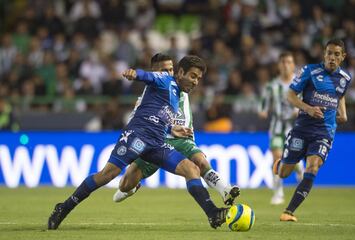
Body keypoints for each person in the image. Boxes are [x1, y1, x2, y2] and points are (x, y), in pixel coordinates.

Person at [48, 55, 229, 230]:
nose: (196, 82)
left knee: (192, 169)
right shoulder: (166, 80)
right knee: (107, 175)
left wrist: (171, 130)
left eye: (198, 78)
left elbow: (157, 116)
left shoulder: (177, 94)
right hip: (138, 137)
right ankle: (64, 207)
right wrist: (135, 74)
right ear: (180, 72)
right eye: (193, 76)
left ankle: (212, 213)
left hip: (157, 143)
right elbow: (148, 76)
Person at [113, 53, 240, 205]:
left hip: (182, 140)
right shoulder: (149, 95)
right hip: (156, 142)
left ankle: (225, 190)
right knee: (125, 184)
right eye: (164, 71)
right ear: (155, 73)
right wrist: (170, 128)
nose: (169, 74)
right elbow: (136, 120)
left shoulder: (183, 85)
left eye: (171, 69)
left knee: (200, 161)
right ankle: (131, 188)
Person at [273, 39, 351, 221]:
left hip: (324, 132)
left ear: (343, 57)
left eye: (336, 54)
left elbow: (340, 96)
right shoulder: (310, 71)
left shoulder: (345, 78)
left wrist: (343, 114)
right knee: (284, 172)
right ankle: (280, 164)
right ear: (324, 54)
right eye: (329, 53)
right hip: (302, 129)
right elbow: (290, 94)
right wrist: (307, 108)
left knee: (313, 166)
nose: (332, 57)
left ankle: (288, 211)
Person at [258, 52, 304, 205]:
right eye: (283, 62)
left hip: (295, 127)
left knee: (292, 158)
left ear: (293, 65)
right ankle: (278, 193)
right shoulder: (272, 86)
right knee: (277, 158)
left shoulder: (299, 84)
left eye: (289, 62)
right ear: (279, 65)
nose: (285, 65)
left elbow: (306, 103)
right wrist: (263, 111)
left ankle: (300, 170)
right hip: (276, 128)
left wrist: (300, 110)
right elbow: (263, 106)